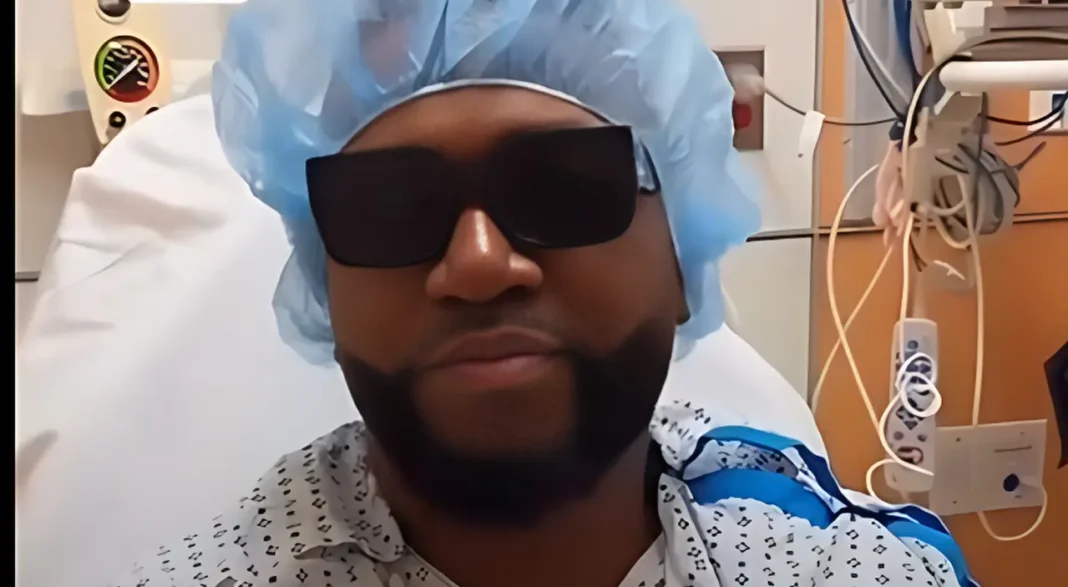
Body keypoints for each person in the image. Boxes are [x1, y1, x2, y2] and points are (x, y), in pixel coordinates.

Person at [117, 1, 976, 586]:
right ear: (325, 286)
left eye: (563, 186)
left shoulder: (846, 566)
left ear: (681, 259)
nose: (479, 262)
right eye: (389, 207)